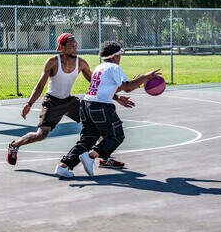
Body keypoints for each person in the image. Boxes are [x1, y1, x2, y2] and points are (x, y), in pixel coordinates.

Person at [7, 33, 132, 167]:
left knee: (98, 126)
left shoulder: (81, 63)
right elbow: (40, 85)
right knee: (41, 134)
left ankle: (104, 157)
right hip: (52, 102)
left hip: (70, 101)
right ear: (61, 47)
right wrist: (29, 103)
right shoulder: (53, 62)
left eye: (76, 46)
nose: (75, 48)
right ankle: (14, 145)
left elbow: (97, 86)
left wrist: (117, 98)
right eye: (71, 46)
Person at [55, 41, 160, 178]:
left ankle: (64, 166)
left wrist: (122, 94)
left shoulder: (100, 67)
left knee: (88, 139)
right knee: (116, 135)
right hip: (100, 106)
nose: (120, 59)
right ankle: (91, 156)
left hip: (86, 105)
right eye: (120, 56)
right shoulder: (114, 67)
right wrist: (145, 77)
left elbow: (109, 87)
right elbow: (127, 87)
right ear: (115, 56)